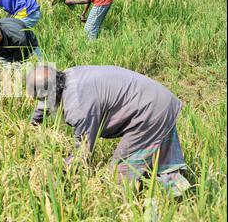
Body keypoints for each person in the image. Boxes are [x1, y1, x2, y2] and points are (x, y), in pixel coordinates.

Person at [26, 65, 191, 197]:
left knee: (122, 169)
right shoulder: (65, 76)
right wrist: (32, 125)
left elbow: (83, 152)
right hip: (156, 99)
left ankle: (129, 206)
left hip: (149, 112)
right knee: (160, 159)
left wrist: (56, 169)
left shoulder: (79, 109)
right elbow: (46, 101)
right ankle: (180, 194)